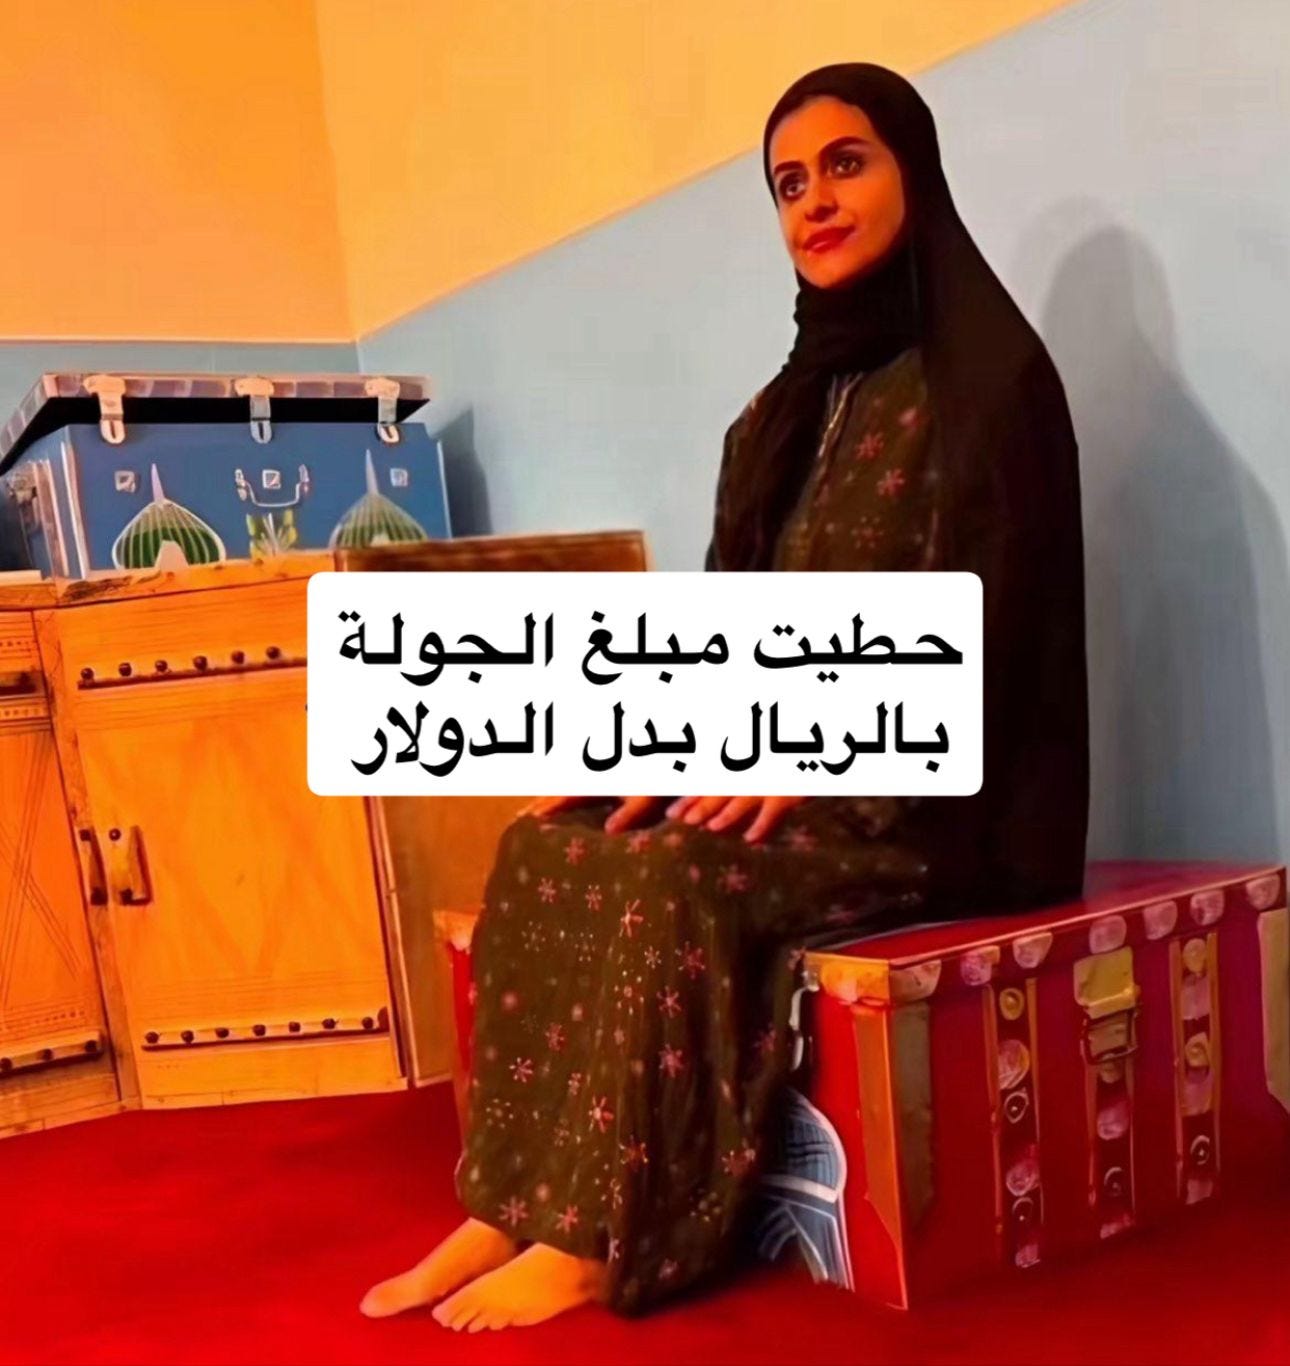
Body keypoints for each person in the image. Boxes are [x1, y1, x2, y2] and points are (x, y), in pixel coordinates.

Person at [360, 61, 1089, 1332]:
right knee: (549, 845)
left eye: (846, 165)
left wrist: (827, 743)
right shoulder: (776, 415)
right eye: (789, 183)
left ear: (915, 171)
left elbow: (1002, 629)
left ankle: (602, 1237)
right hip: (788, 778)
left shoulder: (992, 384)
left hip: (934, 808)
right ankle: (509, 1199)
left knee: (673, 878)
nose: (816, 202)